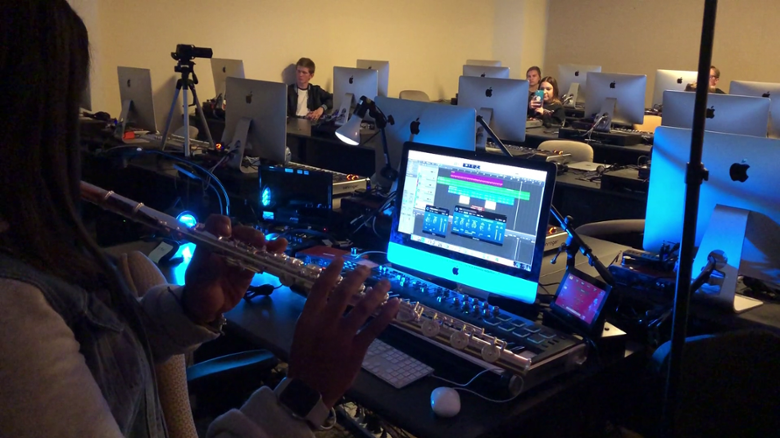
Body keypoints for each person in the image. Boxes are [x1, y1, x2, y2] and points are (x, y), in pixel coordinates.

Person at [0, 2, 399, 437]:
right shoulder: (14, 319)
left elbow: (101, 353)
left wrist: (186, 309)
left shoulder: (28, 261)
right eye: (65, 108)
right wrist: (299, 398)